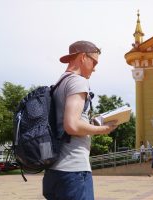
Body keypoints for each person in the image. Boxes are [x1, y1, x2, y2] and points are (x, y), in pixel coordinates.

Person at [43, 41, 118, 200]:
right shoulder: (78, 81)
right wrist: (103, 129)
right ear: (83, 57)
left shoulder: (59, 83)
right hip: (73, 171)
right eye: (94, 61)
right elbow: (72, 125)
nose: (95, 67)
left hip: (53, 172)